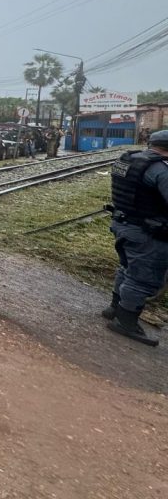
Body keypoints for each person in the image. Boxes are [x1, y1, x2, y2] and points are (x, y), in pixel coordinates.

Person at [102, 129, 168, 346]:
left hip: (123, 222)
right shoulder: (161, 170)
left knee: (127, 267)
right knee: (142, 277)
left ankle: (116, 307)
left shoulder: (130, 160)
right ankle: (126, 321)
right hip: (146, 231)